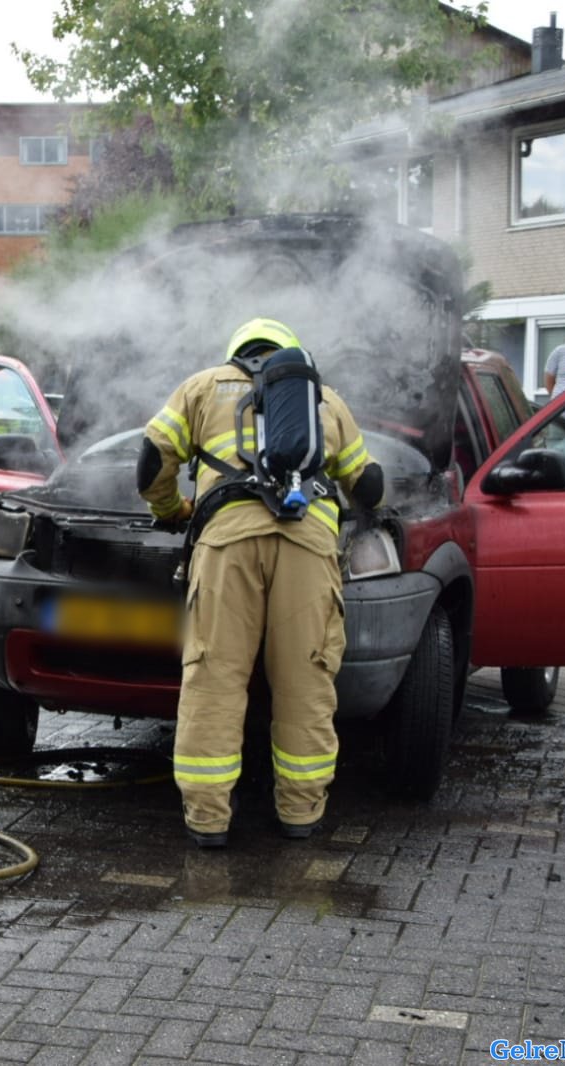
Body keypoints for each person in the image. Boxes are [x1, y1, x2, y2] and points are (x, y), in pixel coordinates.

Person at [139, 318, 384, 848]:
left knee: (214, 678)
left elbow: (151, 458)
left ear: (237, 353)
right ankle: (301, 814)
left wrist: (169, 508)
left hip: (226, 546)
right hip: (308, 550)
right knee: (306, 681)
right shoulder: (326, 399)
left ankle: (208, 821)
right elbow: (368, 483)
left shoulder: (202, 386)